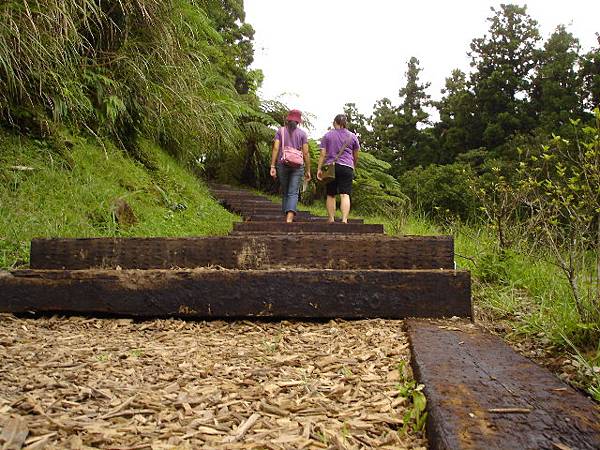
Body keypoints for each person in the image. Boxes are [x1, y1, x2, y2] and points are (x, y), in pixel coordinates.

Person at [316, 114, 360, 223]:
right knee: (345, 194)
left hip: (332, 167)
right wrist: (353, 165)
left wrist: (319, 168)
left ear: (335, 122)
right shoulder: (352, 136)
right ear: (345, 123)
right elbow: (356, 154)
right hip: (347, 167)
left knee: (331, 194)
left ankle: (331, 219)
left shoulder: (327, 135)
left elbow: (322, 154)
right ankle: (344, 219)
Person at [270, 109, 311, 222]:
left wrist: (272, 166)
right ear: (298, 122)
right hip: (297, 165)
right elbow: (306, 152)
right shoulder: (302, 134)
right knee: (293, 192)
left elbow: (276, 148)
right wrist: (308, 170)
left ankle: (286, 215)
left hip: (282, 164)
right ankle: (289, 218)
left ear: (288, 119)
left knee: (286, 190)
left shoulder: (280, 131)